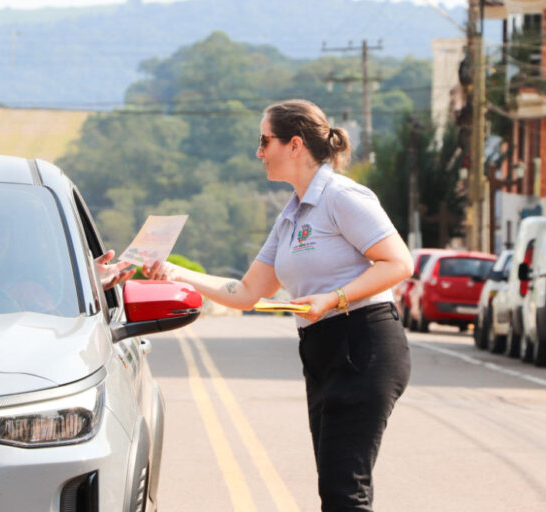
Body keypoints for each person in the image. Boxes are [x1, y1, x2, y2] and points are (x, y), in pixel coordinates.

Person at [143, 99, 413, 511]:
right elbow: (247, 292)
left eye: (264, 140)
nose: (258, 151)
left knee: (344, 491)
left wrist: (333, 297)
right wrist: (177, 273)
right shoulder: (290, 215)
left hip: (364, 343)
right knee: (336, 488)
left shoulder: (342, 195)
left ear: (295, 145)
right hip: (322, 349)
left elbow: (398, 262)